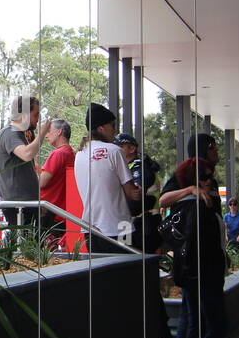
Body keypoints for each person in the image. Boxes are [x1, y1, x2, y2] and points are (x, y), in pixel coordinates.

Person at [164, 155, 230, 338]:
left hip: (191, 275)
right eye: (206, 176)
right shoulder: (198, 206)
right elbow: (202, 246)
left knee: (196, 324)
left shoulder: (185, 204)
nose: (210, 180)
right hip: (205, 275)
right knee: (216, 326)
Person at [72, 103, 139, 253]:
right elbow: (131, 192)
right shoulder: (115, 151)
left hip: (91, 227)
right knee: (124, 268)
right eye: (112, 125)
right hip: (121, 226)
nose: (114, 129)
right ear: (101, 128)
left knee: (100, 274)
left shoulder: (79, 154)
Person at [0, 95, 50, 243]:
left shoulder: (20, 134)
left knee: (34, 246)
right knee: (25, 249)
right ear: (24, 114)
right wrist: (42, 133)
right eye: (35, 114)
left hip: (27, 203)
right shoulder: (9, 133)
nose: (37, 119)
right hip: (18, 205)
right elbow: (26, 154)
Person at [115, 132, 162, 252]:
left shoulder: (140, 167)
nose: (115, 149)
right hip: (127, 222)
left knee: (143, 262)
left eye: (119, 146)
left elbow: (135, 196)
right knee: (125, 259)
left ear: (132, 149)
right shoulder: (126, 167)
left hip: (145, 223)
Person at [37, 119, 73, 248]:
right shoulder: (70, 152)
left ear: (59, 132)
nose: (46, 135)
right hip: (62, 211)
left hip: (51, 212)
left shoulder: (58, 154)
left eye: (48, 131)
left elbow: (41, 182)